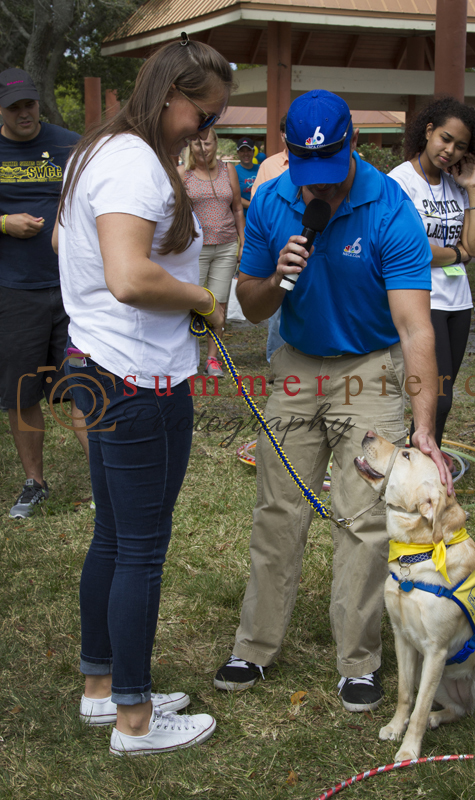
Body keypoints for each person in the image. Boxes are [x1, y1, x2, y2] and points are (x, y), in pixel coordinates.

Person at [213, 89, 452, 713]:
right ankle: (254, 647)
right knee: (277, 508)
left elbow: (415, 328)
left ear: (354, 145)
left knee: (364, 518)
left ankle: (358, 661)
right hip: (296, 364)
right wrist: (275, 276)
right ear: (288, 153)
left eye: (330, 168)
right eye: (307, 170)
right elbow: (252, 305)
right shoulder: (272, 199)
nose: (318, 185)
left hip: (369, 366)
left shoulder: (390, 208)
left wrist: (424, 428)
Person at [55, 37, 232, 756]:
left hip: (101, 363)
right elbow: (129, 277)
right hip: (137, 379)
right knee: (141, 552)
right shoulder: (133, 163)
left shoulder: (96, 150)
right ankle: (134, 719)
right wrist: (200, 299)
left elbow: (76, 254)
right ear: (171, 96)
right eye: (204, 115)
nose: (206, 130)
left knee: (113, 536)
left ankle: (103, 687)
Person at [0, 67, 89, 519]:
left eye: (29, 104)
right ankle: (34, 482)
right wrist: (4, 222)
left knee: (85, 384)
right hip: (14, 291)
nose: (24, 113)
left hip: (73, 287)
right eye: (14, 107)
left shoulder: (71, 145)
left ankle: (107, 479)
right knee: (22, 392)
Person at [388, 97, 475, 448]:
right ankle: (419, 463)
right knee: (437, 399)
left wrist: (473, 187)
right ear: (429, 131)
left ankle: (422, 463)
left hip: (458, 302)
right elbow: (413, 252)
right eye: (445, 139)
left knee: (441, 402)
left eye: (460, 146)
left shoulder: (456, 182)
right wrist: (458, 254)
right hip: (422, 298)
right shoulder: (400, 181)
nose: (450, 151)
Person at [179, 127, 244, 377]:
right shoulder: (183, 173)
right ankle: (185, 356)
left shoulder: (228, 170)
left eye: (207, 143)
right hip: (194, 248)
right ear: (190, 146)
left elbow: (237, 208)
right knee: (188, 302)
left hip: (226, 245)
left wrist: (242, 240)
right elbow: (174, 211)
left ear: (215, 144)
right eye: (197, 144)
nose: (203, 148)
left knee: (219, 303)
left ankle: (212, 358)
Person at [250, 114, 289, 363]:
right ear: (283, 135)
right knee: (278, 304)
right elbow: (258, 207)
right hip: (277, 245)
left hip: (313, 244)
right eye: (287, 132)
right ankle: (276, 361)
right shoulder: (269, 166)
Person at [234, 136, 259, 215]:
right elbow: (234, 197)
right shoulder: (234, 171)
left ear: (253, 151)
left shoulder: (261, 168)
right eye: (242, 151)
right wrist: (253, 205)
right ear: (238, 153)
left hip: (260, 215)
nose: (246, 154)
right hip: (242, 216)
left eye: (248, 150)